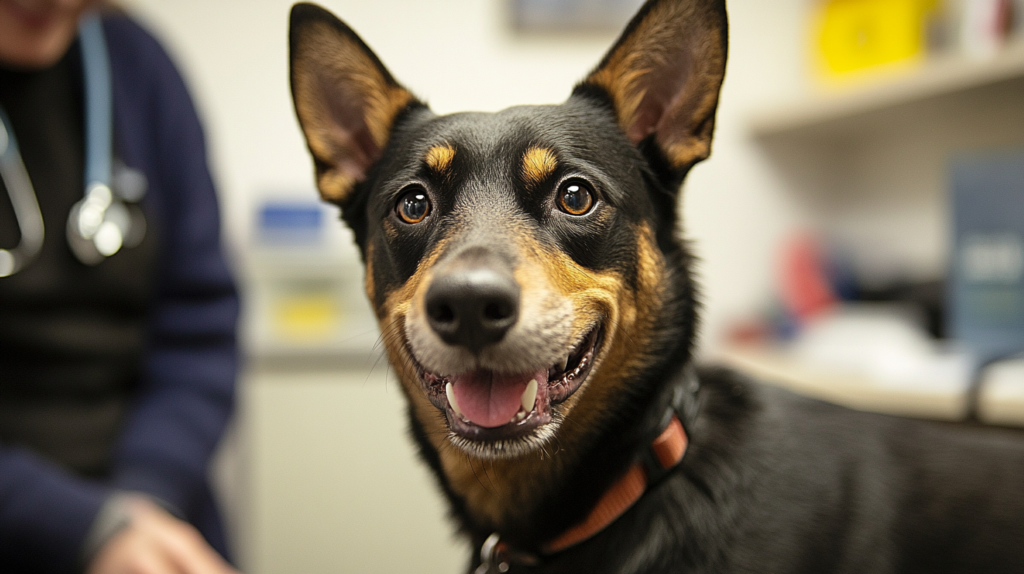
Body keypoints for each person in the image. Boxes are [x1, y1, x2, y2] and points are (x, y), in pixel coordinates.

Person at [0, 1, 239, 572]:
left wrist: (142, 502)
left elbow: (200, 327)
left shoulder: (139, 65)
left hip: (154, 510)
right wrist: (85, 527)